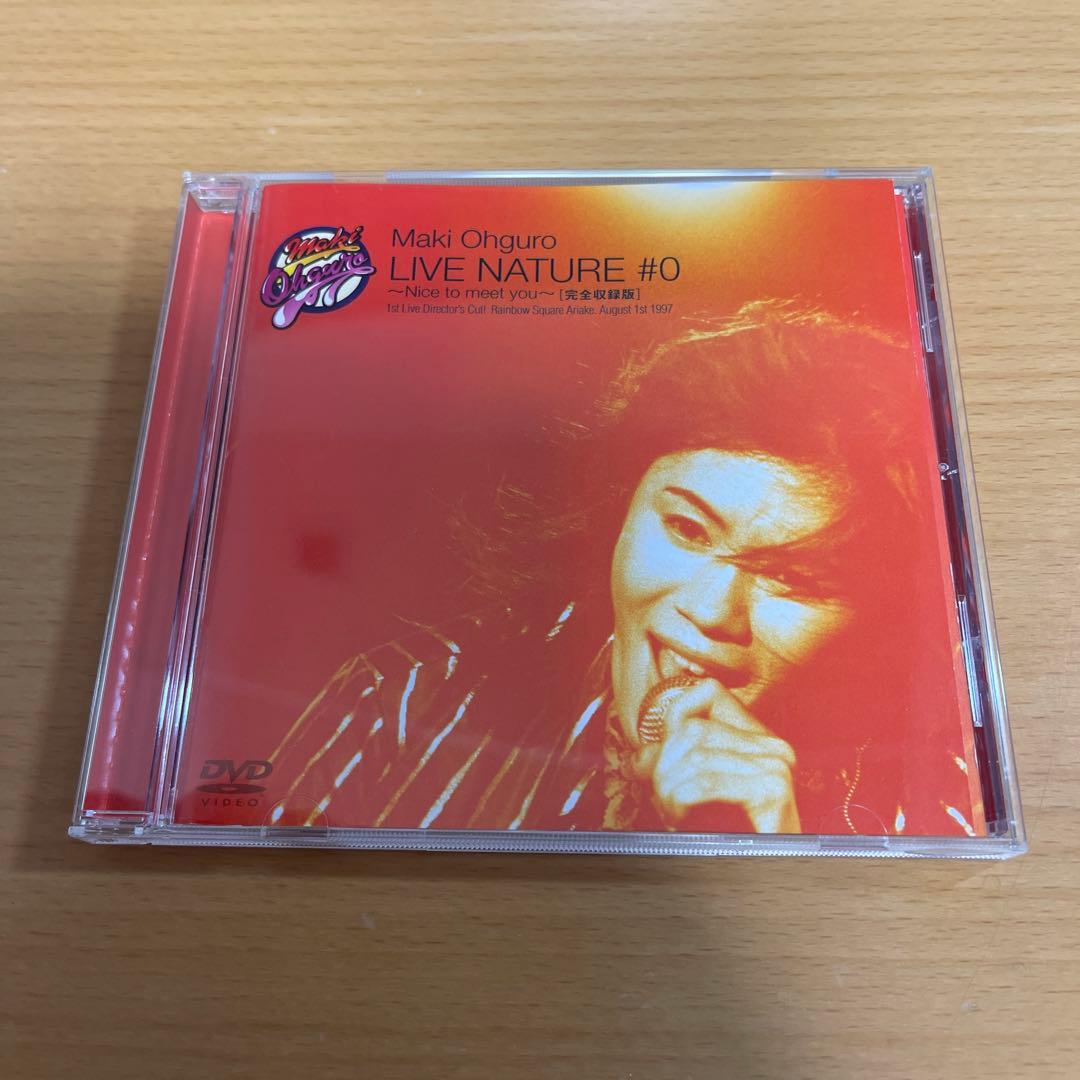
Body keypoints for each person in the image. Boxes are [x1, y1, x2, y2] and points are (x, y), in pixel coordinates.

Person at [266, 301, 981, 837]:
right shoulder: (399, 698)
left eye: (794, 578)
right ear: (618, 514)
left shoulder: (940, 795)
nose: (712, 611)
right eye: (687, 529)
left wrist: (769, 856)